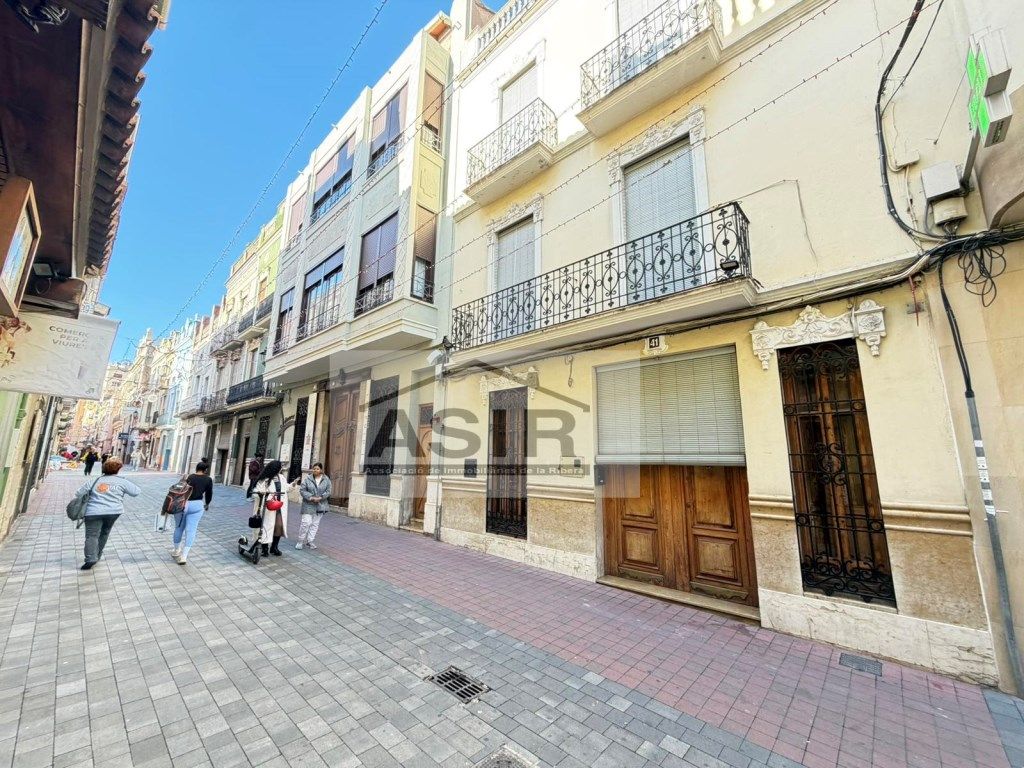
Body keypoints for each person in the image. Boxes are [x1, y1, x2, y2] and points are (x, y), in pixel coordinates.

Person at [73, 458, 140, 571]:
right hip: (113, 512)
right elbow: (136, 492)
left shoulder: (95, 481)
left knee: (92, 535)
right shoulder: (122, 481)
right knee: (104, 533)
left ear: (104, 469)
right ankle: (97, 555)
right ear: (118, 469)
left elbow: (78, 493)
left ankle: (90, 558)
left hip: (93, 512)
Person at [172, 462, 213, 565]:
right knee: (191, 530)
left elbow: (180, 489)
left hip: (183, 504)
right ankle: (184, 557)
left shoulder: (190, 477)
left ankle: (176, 550)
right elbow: (209, 493)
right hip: (197, 505)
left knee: (179, 528)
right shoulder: (208, 479)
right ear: (205, 470)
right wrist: (207, 504)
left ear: (196, 468)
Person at [250, 460, 289, 557]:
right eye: (280, 467)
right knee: (266, 526)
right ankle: (264, 548)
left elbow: (286, 488)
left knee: (279, 526)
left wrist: (293, 485)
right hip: (267, 507)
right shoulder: (264, 479)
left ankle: (274, 547)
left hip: (279, 506)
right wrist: (260, 493)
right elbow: (256, 490)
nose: (281, 469)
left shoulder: (282, 478)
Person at [296, 463, 332, 550]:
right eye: (314, 468)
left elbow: (328, 491)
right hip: (308, 504)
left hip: (320, 504)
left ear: (321, 470)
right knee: (306, 523)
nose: (315, 470)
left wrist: (321, 497)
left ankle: (310, 541)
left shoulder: (326, 479)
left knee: (315, 524)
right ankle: (300, 541)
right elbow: (302, 490)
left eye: (317, 469)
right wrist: (311, 497)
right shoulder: (308, 479)